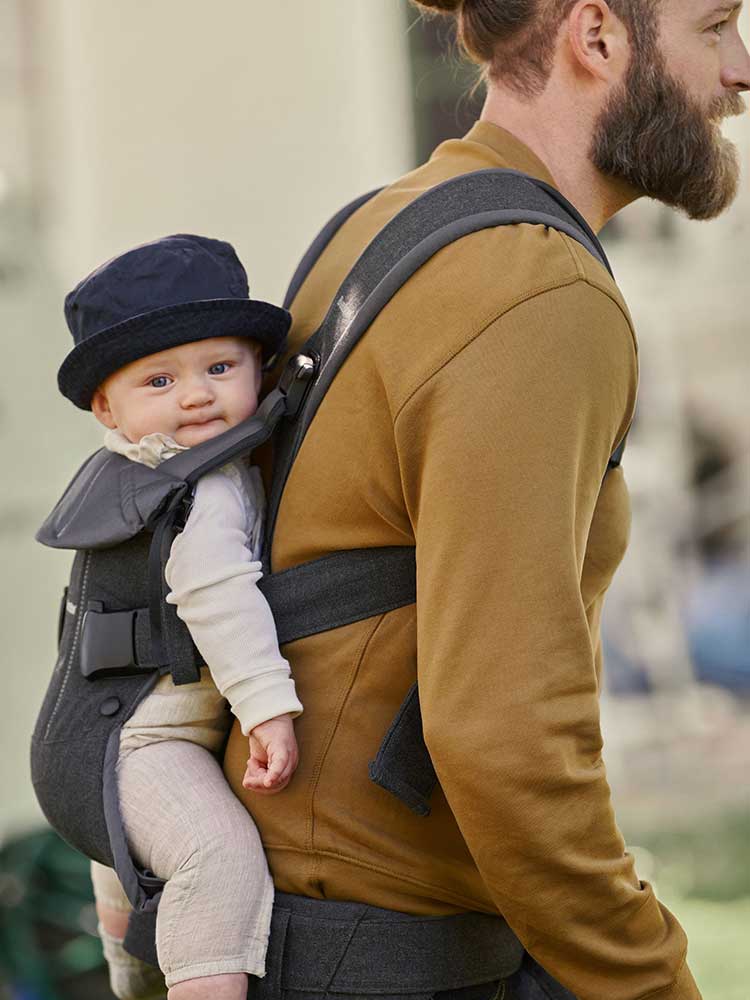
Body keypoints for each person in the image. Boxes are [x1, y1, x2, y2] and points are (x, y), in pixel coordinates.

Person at [219, 2, 749, 999]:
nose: (742, 69)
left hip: (287, 927)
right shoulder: (538, 291)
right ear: (598, 36)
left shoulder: (383, 226)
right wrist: (652, 980)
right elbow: (507, 733)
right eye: (716, 25)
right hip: (386, 954)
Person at [54, 234, 304, 1000]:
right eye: (160, 379)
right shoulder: (204, 485)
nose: (195, 395)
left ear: (258, 367)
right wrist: (268, 708)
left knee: (134, 957)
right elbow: (214, 592)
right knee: (217, 856)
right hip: (140, 741)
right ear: (108, 405)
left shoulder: (147, 471)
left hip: (103, 736)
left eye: (219, 368)